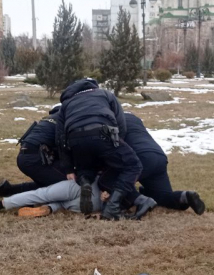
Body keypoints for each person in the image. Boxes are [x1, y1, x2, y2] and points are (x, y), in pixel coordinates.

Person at [56, 79, 147, 220]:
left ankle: (85, 181)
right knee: (133, 165)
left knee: (86, 167)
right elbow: (121, 122)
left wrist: (68, 168)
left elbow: (60, 137)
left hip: (75, 139)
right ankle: (112, 207)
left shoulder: (66, 104)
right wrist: (117, 143)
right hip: (102, 132)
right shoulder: (105, 94)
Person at [99, 112, 205, 215]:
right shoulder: (133, 118)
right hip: (158, 156)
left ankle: (140, 200)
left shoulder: (109, 122)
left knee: (107, 180)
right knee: (161, 196)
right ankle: (184, 197)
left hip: (138, 157)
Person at [0, 106, 68, 197]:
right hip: (37, 158)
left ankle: (8, 190)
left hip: (25, 155)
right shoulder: (65, 120)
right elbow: (64, 147)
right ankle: (19, 199)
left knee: (48, 181)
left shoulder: (50, 118)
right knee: (66, 184)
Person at [0, 179, 104, 217]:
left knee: (42, 194)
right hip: (97, 203)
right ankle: (48, 208)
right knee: (63, 204)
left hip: (85, 185)